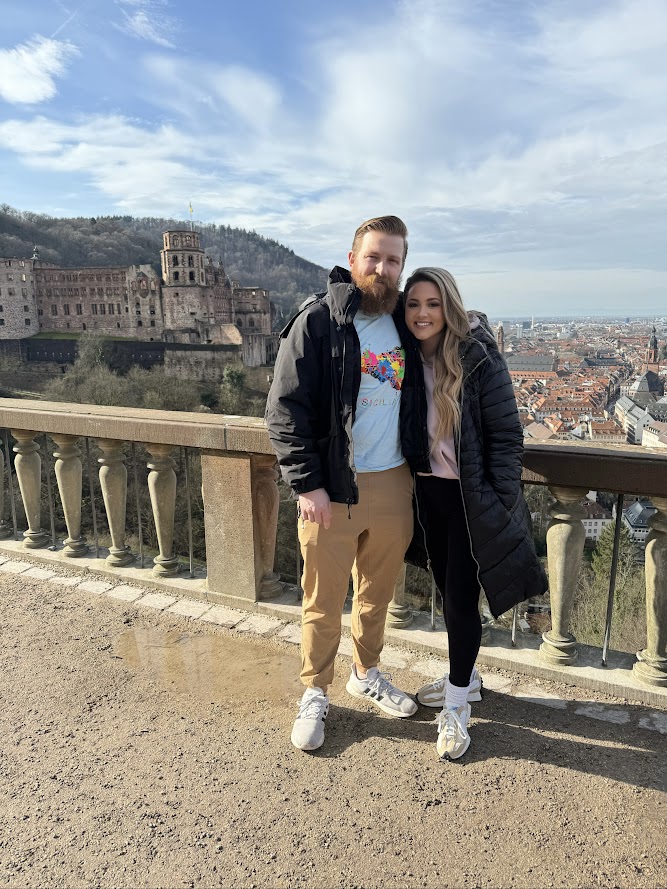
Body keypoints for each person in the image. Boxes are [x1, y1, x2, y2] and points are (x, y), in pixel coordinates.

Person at [265, 216, 428, 752]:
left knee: (377, 594)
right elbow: (285, 408)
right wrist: (307, 484)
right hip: (333, 485)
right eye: (374, 257)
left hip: (392, 482)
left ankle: (367, 671)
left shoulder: (407, 323)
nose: (383, 268)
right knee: (323, 597)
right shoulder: (319, 320)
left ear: (402, 267)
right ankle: (315, 690)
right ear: (353, 259)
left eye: (394, 260)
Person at [402, 267, 547, 760]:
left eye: (433, 303)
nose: (423, 313)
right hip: (427, 499)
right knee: (447, 591)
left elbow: (507, 436)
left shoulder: (478, 356)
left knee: (462, 601)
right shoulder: (402, 359)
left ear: (450, 307)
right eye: (414, 304)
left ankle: (458, 704)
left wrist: (497, 497)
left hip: (468, 499)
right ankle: (466, 678)